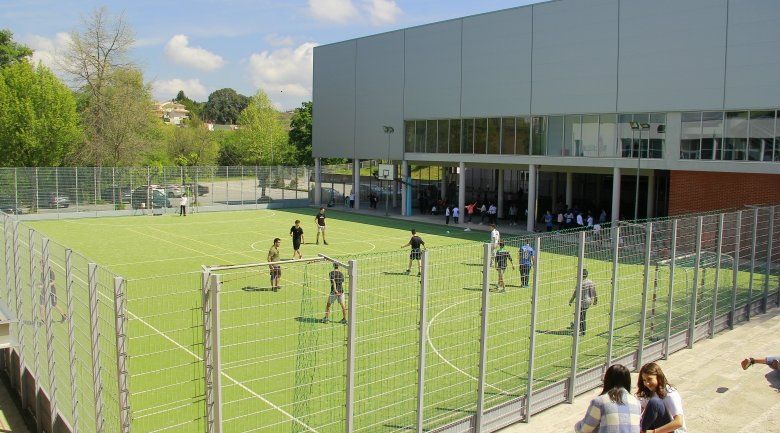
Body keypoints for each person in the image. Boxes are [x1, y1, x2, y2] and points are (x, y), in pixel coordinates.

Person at [575, 364, 641, 433]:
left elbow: (584, 429)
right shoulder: (636, 402)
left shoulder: (600, 402)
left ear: (607, 380)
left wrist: (576, 426)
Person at [636, 362, 687, 433]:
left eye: (649, 379)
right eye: (644, 380)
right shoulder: (650, 392)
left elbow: (679, 422)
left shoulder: (670, 393)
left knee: (655, 403)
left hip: (673, 431)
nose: (647, 383)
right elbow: (639, 411)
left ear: (658, 377)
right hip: (657, 427)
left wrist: (654, 432)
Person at [569, 268, 597, 336]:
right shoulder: (590, 282)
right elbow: (594, 292)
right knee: (579, 313)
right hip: (588, 301)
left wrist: (571, 300)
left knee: (582, 316)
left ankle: (582, 331)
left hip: (582, 301)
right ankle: (576, 325)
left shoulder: (580, 283)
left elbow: (576, 293)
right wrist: (596, 300)